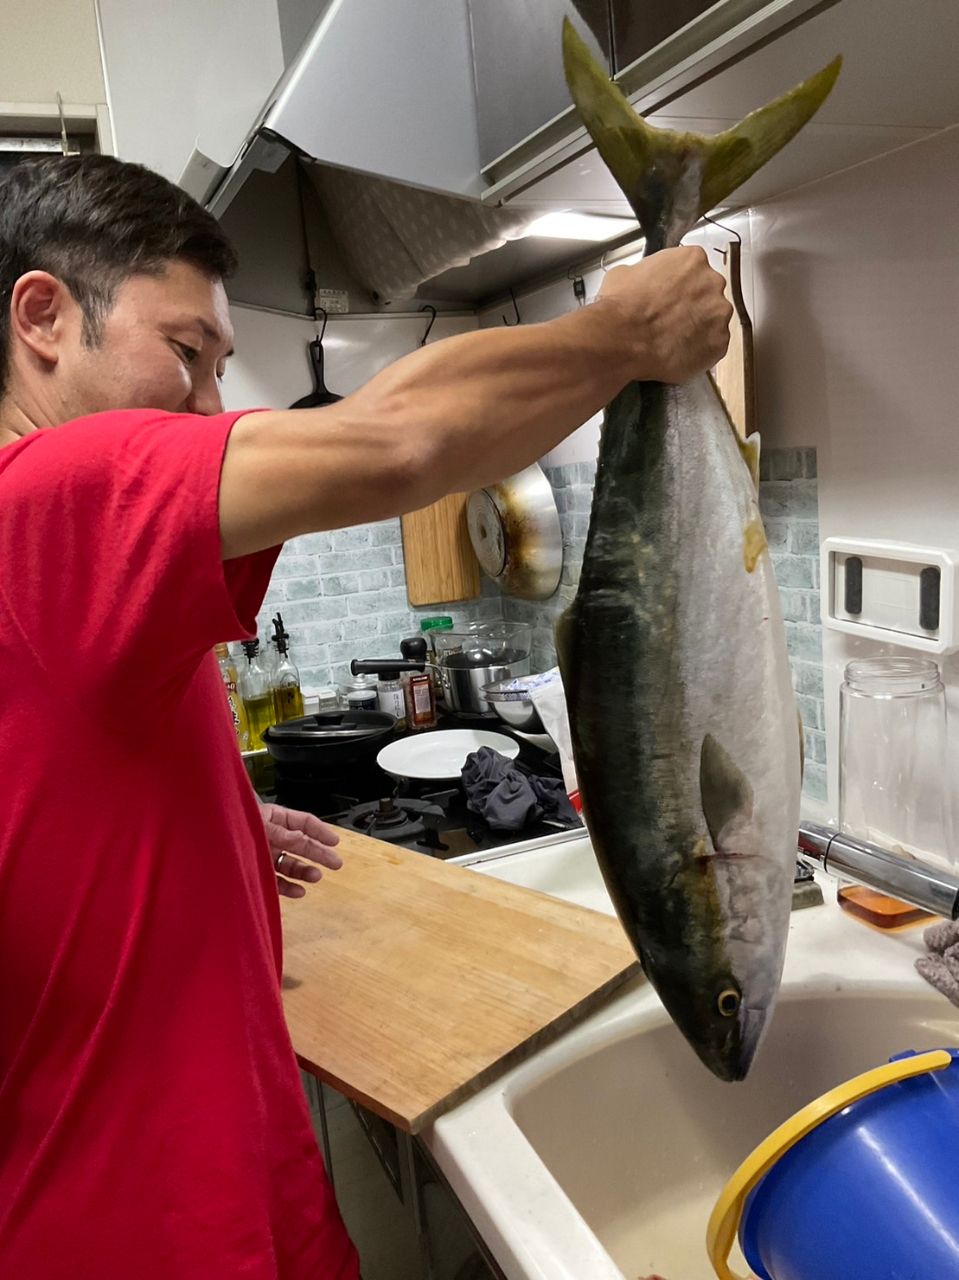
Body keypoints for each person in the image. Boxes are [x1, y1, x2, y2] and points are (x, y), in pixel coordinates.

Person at [0, 153, 730, 1279]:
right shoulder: (47, 498)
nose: (208, 405)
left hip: (231, 1180)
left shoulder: (51, 569)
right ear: (43, 317)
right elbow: (397, 445)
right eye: (185, 354)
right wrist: (629, 332)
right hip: (149, 1226)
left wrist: (219, 829)